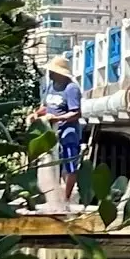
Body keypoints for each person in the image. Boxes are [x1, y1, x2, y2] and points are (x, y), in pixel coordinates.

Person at [29, 56, 83, 206]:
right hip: (51, 133)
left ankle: (66, 198)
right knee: (49, 164)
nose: (50, 74)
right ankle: (51, 197)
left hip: (68, 131)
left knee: (69, 164)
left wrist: (57, 119)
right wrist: (36, 113)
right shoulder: (51, 86)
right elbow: (47, 106)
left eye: (53, 71)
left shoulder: (71, 89)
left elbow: (76, 113)